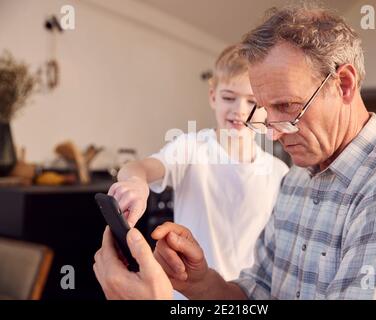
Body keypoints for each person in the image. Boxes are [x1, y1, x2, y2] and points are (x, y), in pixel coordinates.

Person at [94, 5, 376, 299]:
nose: (273, 134)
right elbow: (258, 293)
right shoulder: (296, 180)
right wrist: (203, 284)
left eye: (287, 106)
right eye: (264, 111)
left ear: (344, 84)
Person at [94, 44, 289, 299]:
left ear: (266, 106)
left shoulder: (279, 172)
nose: (240, 110)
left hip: (243, 297)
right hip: (184, 295)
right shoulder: (191, 148)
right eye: (229, 97)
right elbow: (138, 168)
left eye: (252, 102)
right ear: (212, 96)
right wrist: (137, 183)